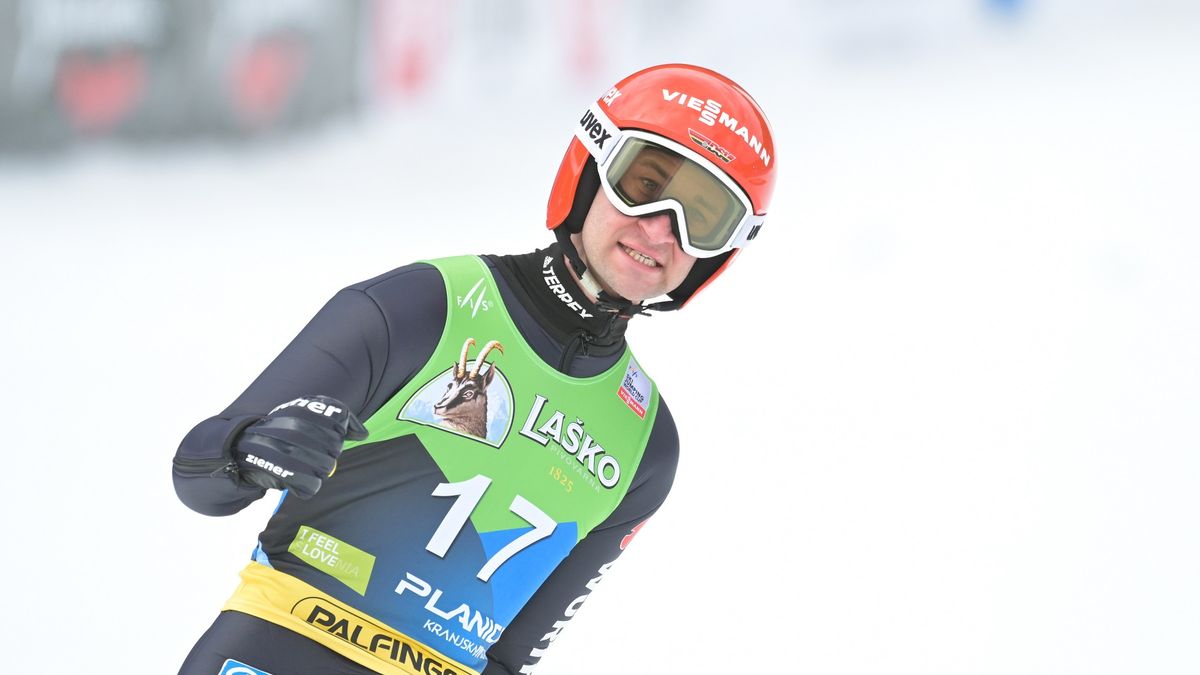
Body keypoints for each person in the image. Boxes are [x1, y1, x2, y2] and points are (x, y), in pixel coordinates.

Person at [173, 63, 777, 675]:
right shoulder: (426, 305)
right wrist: (246, 449)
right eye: (644, 184)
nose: (661, 228)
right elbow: (196, 476)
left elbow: (508, 659)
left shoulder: (646, 444)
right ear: (589, 172)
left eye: (702, 219)